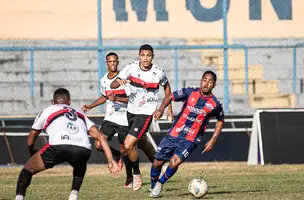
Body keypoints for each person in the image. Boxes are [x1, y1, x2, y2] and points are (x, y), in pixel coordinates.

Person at [15, 88, 119, 200]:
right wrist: (110, 160)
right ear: (69, 102)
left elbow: (32, 134)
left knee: (27, 169)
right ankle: (73, 195)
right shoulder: (79, 113)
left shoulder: (48, 110)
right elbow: (101, 136)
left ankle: (19, 197)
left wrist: (31, 151)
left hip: (58, 145)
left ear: (53, 101)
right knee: (80, 164)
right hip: (83, 147)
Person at [82, 52, 158, 189]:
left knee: (127, 149)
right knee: (99, 144)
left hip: (124, 119)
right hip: (110, 118)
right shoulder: (104, 80)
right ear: (106, 63)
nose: (112, 64)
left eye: (114, 62)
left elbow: (132, 98)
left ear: (118, 62)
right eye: (110, 62)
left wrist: (117, 99)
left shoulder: (125, 79)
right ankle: (116, 156)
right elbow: (104, 96)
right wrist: (90, 106)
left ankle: (130, 178)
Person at [149, 70, 225, 198]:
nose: (206, 84)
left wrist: (212, 140)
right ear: (201, 81)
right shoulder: (190, 93)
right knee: (157, 163)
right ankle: (153, 186)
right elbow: (170, 97)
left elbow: (220, 121)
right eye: (205, 80)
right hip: (174, 134)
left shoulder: (215, 104)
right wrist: (161, 109)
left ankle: (160, 184)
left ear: (214, 85)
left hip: (191, 139)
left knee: (174, 162)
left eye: (210, 82)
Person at [110, 44, 174, 191]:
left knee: (128, 145)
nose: (145, 58)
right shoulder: (131, 68)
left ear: (152, 56)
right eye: (143, 55)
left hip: (146, 113)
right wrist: (119, 82)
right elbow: (114, 83)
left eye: (148, 55)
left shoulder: (158, 72)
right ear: (139, 55)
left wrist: (168, 107)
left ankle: (137, 174)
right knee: (142, 142)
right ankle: (159, 163)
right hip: (131, 111)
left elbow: (167, 86)